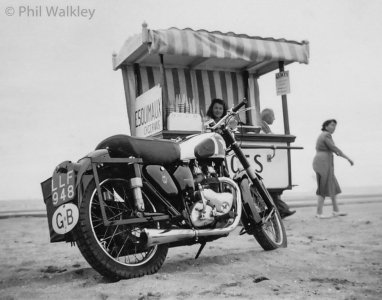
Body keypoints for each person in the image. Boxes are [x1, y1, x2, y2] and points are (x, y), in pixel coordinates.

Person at [313, 119, 354, 219]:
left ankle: (336, 211)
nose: (334, 127)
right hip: (323, 163)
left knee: (332, 186)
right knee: (323, 187)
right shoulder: (326, 135)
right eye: (332, 125)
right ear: (326, 126)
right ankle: (319, 213)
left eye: (335, 126)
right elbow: (334, 148)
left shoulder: (323, 135)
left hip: (323, 162)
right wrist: (348, 158)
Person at [260, 108, 296, 218]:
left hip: (265, 162)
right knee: (273, 188)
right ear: (267, 116)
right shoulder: (262, 127)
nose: (274, 118)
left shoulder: (263, 126)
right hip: (266, 163)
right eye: (273, 116)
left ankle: (281, 210)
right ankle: (281, 210)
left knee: (273, 190)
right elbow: (270, 138)